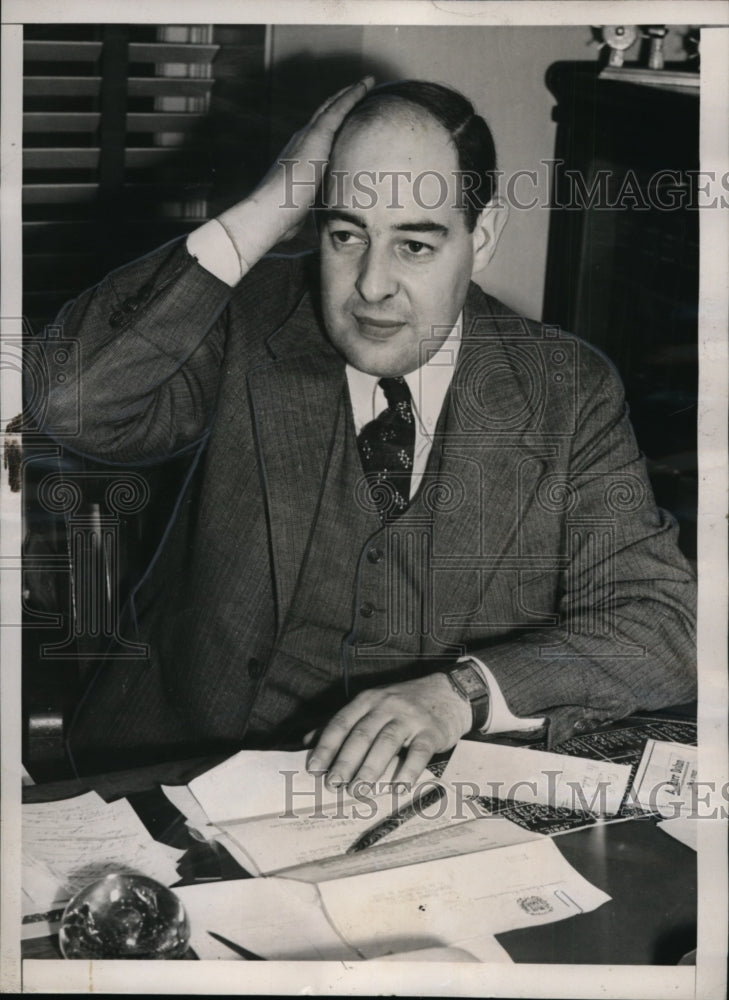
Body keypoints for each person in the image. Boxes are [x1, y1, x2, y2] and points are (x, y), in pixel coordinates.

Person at [38, 78, 696, 784]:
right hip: (177, 769)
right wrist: (269, 204)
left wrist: (462, 694)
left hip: (417, 800)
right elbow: (69, 401)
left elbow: (662, 625)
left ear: (482, 236)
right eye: (346, 235)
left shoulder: (564, 390)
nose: (371, 285)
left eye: (414, 246)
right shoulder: (242, 320)